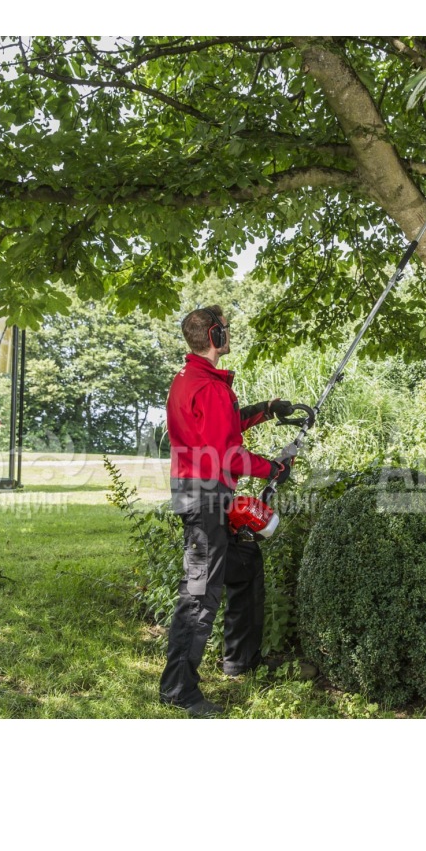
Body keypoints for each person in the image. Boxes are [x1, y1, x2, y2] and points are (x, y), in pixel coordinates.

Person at [159, 304, 294, 717]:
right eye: (226, 329)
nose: (229, 334)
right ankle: (178, 690)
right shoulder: (209, 387)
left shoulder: (191, 379)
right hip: (206, 499)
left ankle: (241, 661)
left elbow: (222, 426)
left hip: (202, 493)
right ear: (215, 336)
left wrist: (266, 409)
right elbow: (228, 454)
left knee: (245, 565)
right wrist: (273, 468)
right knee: (199, 593)